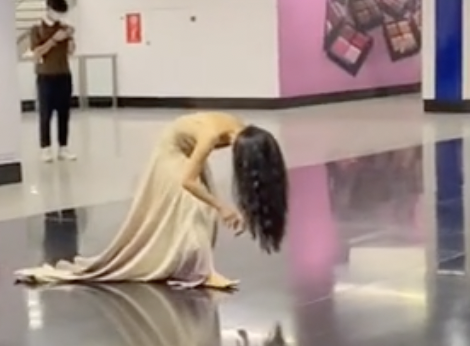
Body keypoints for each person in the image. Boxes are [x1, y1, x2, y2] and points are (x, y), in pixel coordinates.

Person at [16, 111, 289, 290]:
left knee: (205, 206)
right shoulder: (211, 136)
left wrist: (224, 206)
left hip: (187, 151)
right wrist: (222, 207)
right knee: (197, 206)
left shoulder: (240, 131)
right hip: (171, 153)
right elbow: (188, 181)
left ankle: (194, 265)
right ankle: (202, 273)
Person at [30, 0, 76, 163]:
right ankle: (45, 148)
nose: (59, 16)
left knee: (64, 113)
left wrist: (70, 38)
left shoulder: (63, 27)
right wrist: (54, 40)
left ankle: (63, 147)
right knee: (45, 114)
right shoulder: (37, 28)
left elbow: (71, 52)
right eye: (56, 11)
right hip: (45, 76)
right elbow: (36, 53)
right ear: (49, 9)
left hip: (64, 75)